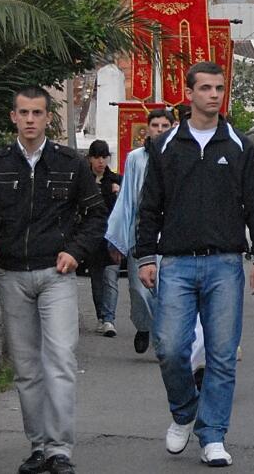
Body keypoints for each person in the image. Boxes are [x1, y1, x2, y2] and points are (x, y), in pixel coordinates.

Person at [135, 61, 254, 467]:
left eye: (219, 88)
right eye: (207, 88)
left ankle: (213, 434)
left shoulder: (238, 145)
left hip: (225, 263)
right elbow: (150, 206)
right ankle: (184, 412)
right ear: (190, 92)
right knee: (170, 348)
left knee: (221, 354)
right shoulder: (165, 146)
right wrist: (146, 254)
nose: (215, 95)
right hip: (176, 263)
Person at [0, 86, 106, 474]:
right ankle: (39, 445)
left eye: (37, 113)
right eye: (23, 113)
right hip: (12, 274)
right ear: (13, 117)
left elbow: (96, 217)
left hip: (56, 275)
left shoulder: (70, 164)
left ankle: (60, 449)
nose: (30, 119)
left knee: (59, 359)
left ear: (48, 118)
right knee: (27, 367)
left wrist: (75, 251)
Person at [105, 108, 174, 355]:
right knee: (139, 289)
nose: (159, 130)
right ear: (148, 128)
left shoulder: (178, 156)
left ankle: (161, 339)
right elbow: (126, 199)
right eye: (155, 125)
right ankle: (143, 326)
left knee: (166, 291)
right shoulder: (136, 158)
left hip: (169, 236)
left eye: (165, 126)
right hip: (140, 234)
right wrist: (117, 238)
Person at [86, 140, 121, 338]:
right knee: (96, 279)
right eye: (97, 157)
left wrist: (117, 192)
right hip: (92, 237)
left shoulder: (115, 180)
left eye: (104, 157)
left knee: (111, 278)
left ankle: (109, 319)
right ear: (90, 158)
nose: (100, 161)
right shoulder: (85, 181)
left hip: (112, 236)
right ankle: (101, 316)